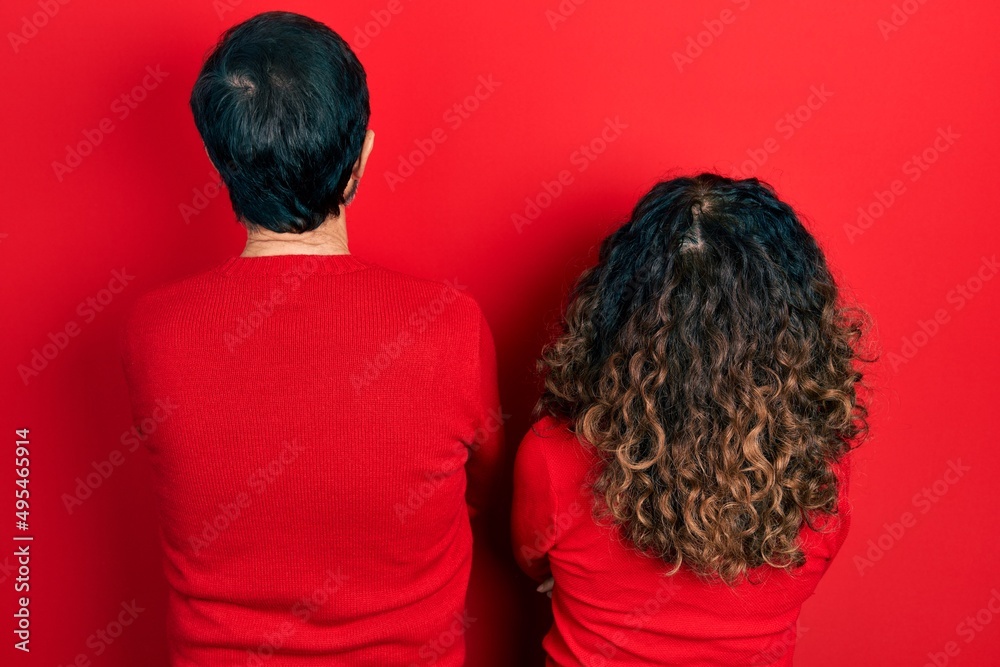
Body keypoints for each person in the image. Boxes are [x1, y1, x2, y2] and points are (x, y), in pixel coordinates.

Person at [120, 11, 502, 666]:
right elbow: (486, 488)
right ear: (361, 159)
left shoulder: (154, 331)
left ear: (221, 164)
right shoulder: (451, 326)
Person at [512, 173, 871, 666]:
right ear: (796, 320)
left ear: (614, 307)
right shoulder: (822, 467)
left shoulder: (550, 454)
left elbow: (533, 560)